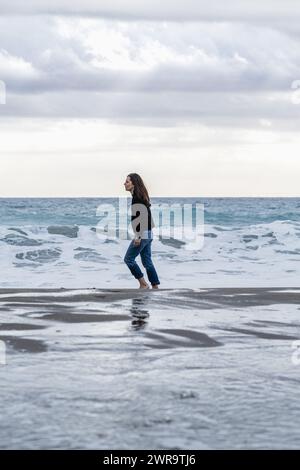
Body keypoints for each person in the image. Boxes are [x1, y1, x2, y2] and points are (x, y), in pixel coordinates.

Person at [123, 173, 160, 289]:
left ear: (134, 184)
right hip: (148, 233)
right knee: (147, 261)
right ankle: (155, 285)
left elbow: (142, 218)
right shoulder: (141, 196)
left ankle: (143, 284)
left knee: (128, 259)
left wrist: (138, 236)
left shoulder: (137, 198)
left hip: (143, 234)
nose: (124, 183)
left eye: (127, 181)